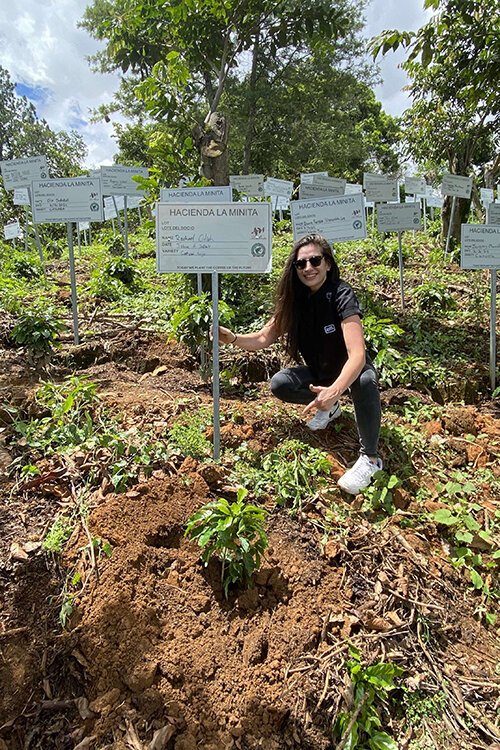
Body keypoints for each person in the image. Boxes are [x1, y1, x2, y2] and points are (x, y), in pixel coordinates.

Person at [218, 233, 382, 495]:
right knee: (281, 383)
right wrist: (233, 338)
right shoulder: (295, 302)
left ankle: (370, 459)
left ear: (328, 263)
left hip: (350, 372)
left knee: (364, 380)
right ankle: (331, 408)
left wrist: (335, 390)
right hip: (320, 373)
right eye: (301, 264)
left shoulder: (341, 294)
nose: (308, 268)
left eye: (315, 261)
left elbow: (357, 355)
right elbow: (263, 337)